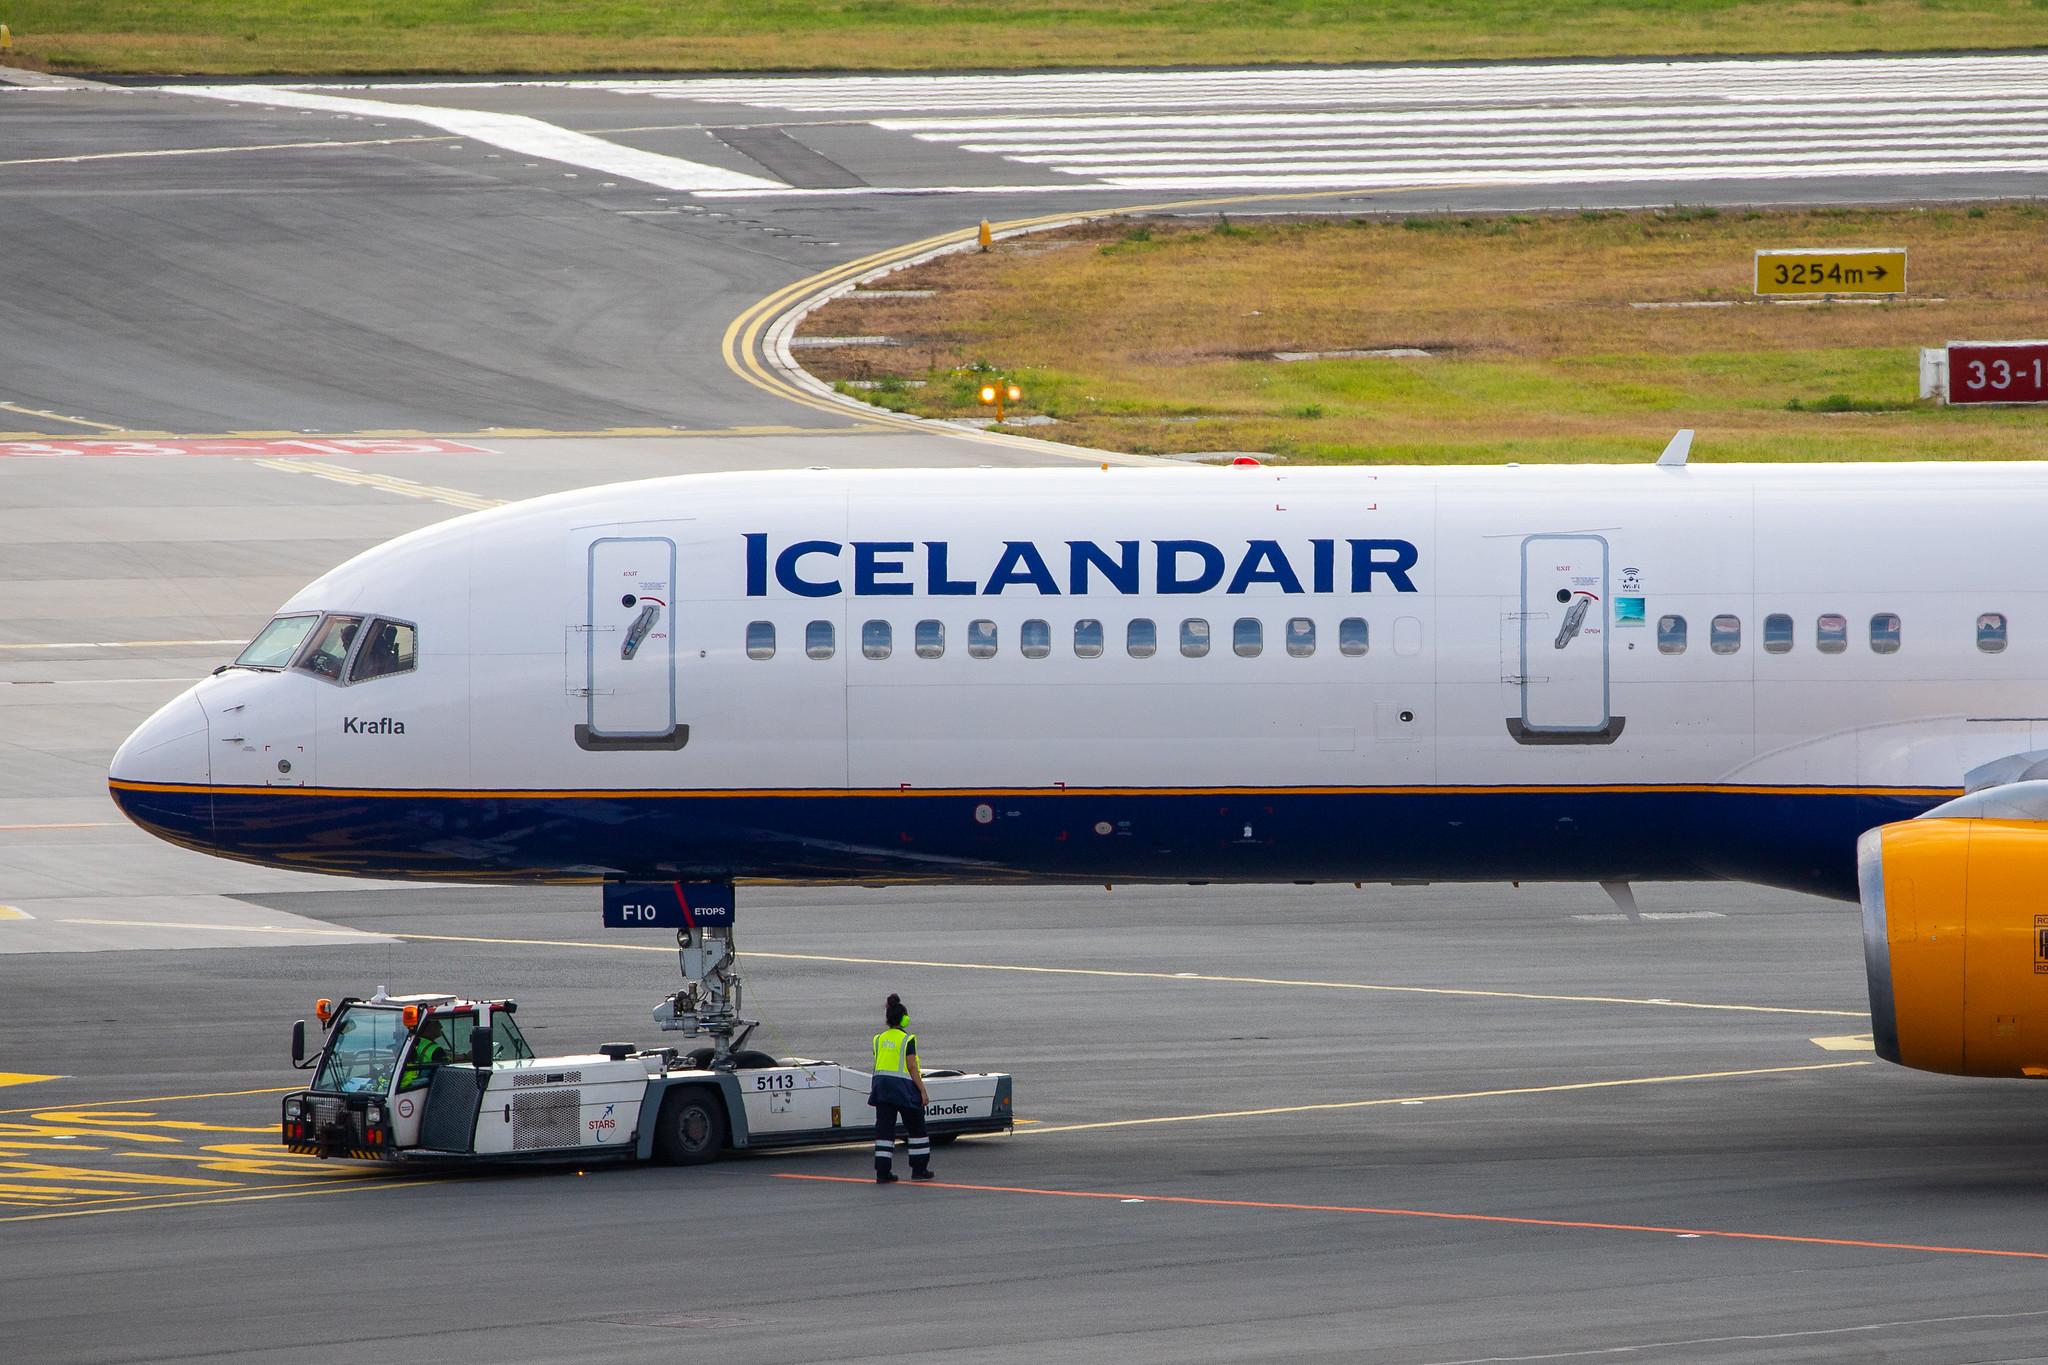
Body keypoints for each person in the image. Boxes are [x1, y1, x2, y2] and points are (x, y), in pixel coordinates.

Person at [870, 993, 932, 1183]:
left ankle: (882, 1173)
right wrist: (922, 1090)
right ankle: (919, 1170)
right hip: (903, 1088)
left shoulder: (878, 1039)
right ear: (905, 1019)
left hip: (881, 1088)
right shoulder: (908, 1039)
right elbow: (912, 1067)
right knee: (916, 1128)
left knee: (884, 1132)